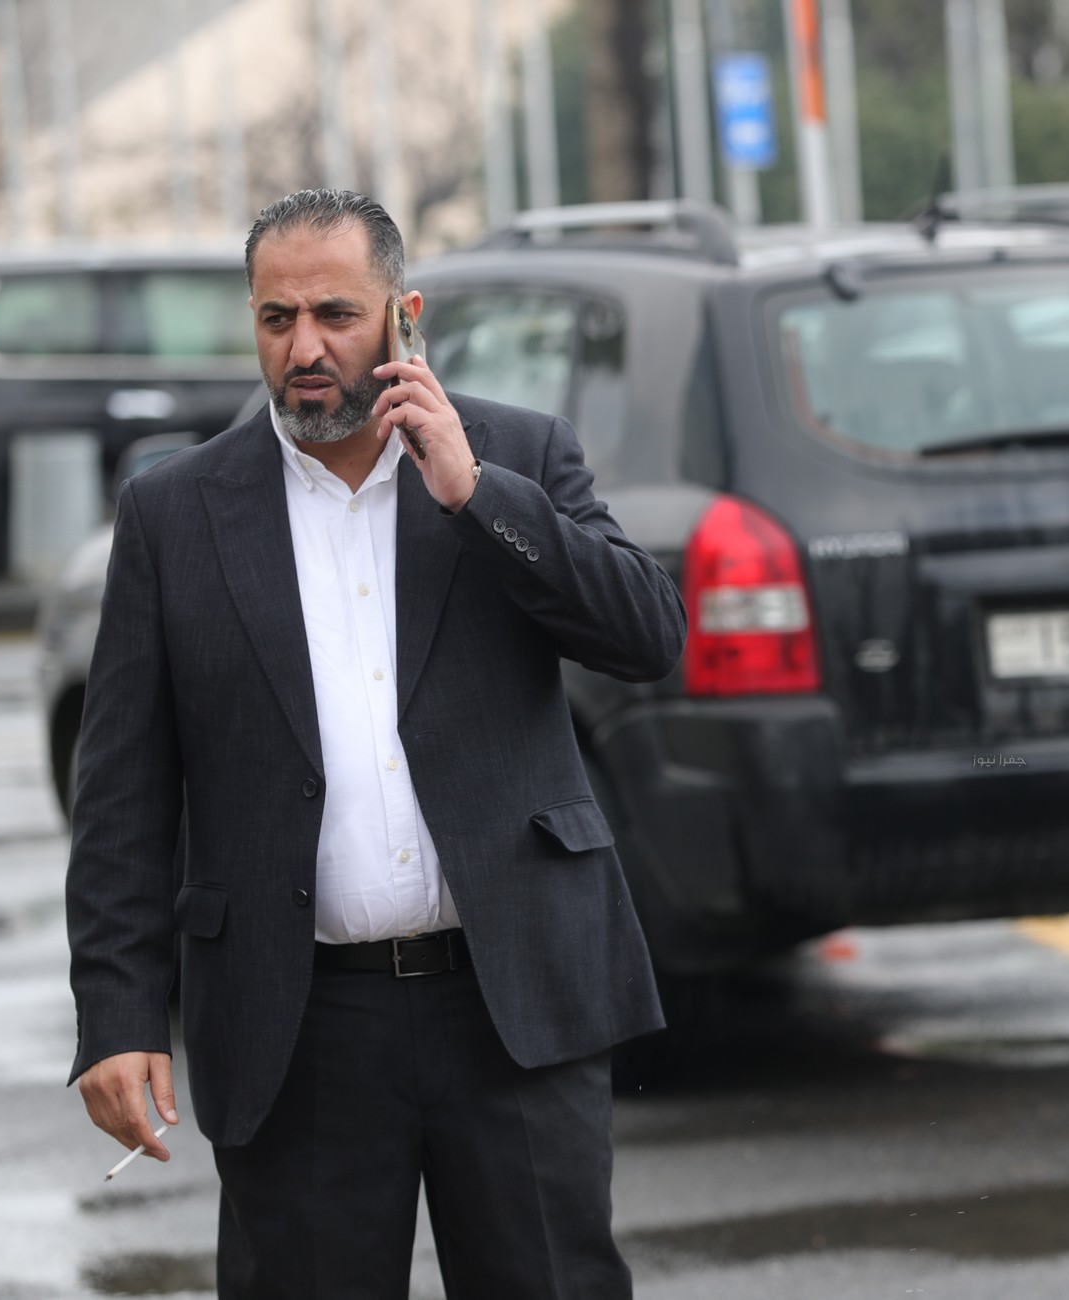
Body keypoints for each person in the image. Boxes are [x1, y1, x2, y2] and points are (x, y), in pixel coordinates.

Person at [65, 189, 686, 1298]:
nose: (305, 349)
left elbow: (646, 636)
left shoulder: (517, 453)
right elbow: (121, 794)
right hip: (297, 1024)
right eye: (277, 319)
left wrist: (476, 495)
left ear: (405, 315)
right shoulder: (175, 514)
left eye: (336, 315)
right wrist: (116, 1015)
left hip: (510, 1001)